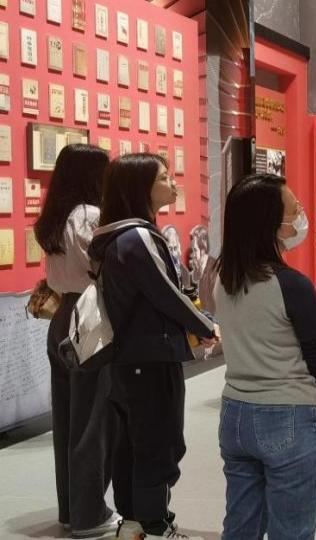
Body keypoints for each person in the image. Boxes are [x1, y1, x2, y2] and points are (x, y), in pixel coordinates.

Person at [89, 153, 217, 540]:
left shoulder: (116, 235)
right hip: (149, 356)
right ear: (140, 186)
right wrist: (205, 325)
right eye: (164, 177)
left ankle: (134, 522)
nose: (173, 183)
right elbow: (166, 294)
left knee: (134, 443)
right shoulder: (137, 237)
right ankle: (154, 523)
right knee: (158, 444)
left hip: (131, 358)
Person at [213, 174, 316, 539]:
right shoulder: (291, 284)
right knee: (291, 530)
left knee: (241, 525)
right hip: (288, 413)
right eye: (294, 209)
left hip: (235, 412)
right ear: (270, 221)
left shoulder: (224, 277)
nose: (300, 214)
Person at [33, 143, 120, 538]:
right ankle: (89, 514)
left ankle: (72, 509)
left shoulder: (55, 217)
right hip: (89, 317)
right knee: (93, 421)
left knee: (68, 419)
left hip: (62, 317)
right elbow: (101, 270)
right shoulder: (89, 216)